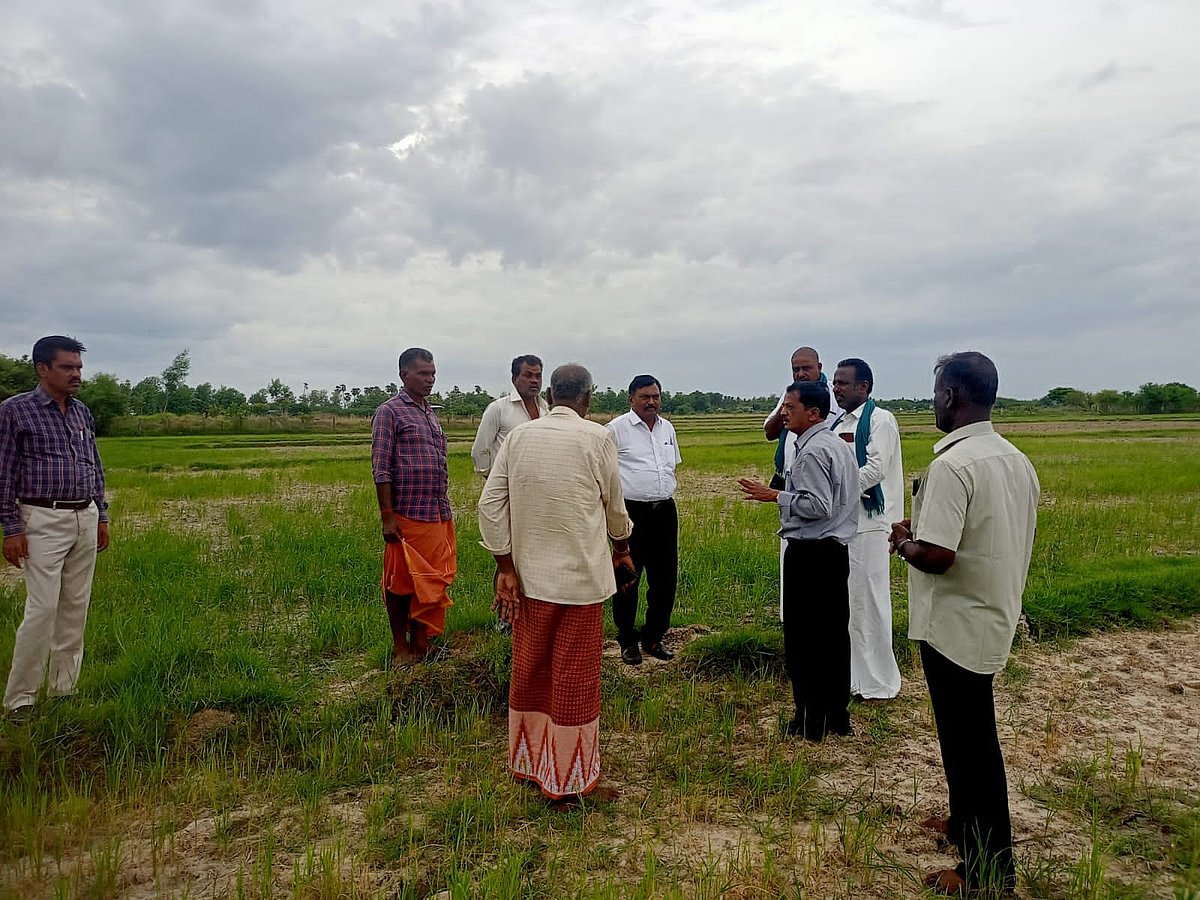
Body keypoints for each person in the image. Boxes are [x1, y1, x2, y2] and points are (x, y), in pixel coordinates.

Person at [889, 352, 1038, 896]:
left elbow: (939, 556)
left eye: (935, 394)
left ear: (951, 396)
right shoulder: (1014, 458)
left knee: (974, 748)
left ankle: (988, 872)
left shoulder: (952, 465)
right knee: (963, 737)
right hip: (992, 613)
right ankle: (960, 823)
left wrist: (903, 541)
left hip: (955, 624)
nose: (933, 403)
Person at [478, 364, 634, 805]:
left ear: (550, 393)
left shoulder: (520, 437)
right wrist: (621, 548)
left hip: (529, 581)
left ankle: (528, 764)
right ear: (587, 397)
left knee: (530, 668)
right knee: (574, 678)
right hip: (580, 584)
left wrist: (505, 566)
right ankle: (568, 782)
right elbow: (616, 510)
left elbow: (490, 507)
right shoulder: (598, 437)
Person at [740, 381, 858, 741]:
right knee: (834, 637)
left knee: (805, 640)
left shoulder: (810, 453)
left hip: (810, 555)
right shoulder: (837, 445)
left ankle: (809, 722)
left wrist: (775, 495)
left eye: (790, 407)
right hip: (835, 553)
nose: (783, 413)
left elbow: (817, 506)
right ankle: (837, 717)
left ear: (814, 413)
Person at [1, 335, 110, 720]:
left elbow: (93, 465)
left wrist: (102, 514)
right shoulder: (15, 411)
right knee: (43, 608)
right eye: (67, 367)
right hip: (41, 518)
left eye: (78, 367)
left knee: (75, 607)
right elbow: (4, 473)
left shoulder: (81, 412)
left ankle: (64, 689)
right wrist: (11, 528)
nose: (76, 374)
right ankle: (21, 699)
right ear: (42, 368)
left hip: (85, 515)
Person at [371, 348, 456, 667]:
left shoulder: (430, 412)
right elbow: (381, 467)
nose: (430, 379)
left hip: (436, 513)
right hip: (407, 516)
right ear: (404, 375)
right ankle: (400, 648)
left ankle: (421, 643)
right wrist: (387, 517)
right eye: (423, 373)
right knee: (401, 583)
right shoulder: (389, 412)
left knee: (429, 581)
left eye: (433, 373)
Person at [830, 358, 903, 702]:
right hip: (843, 524)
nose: (836, 388)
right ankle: (853, 677)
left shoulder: (880, 420)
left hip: (872, 523)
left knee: (870, 603)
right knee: (847, 603)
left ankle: (878, 683)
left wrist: (830, 490)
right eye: (835, 382)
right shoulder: (837, 423)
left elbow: (874, 468)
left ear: (865, 387)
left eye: (844, 383)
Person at [607, 375, 681, 666]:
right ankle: (627, 640)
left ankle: (654, 637)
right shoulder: (615, 430)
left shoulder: (668, 428)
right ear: (631, 399)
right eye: (645, 397)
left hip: (664, 511)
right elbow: (605, 474)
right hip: (630, 514)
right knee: (627, 579)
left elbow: (670, 465)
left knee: (665, 579)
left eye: (656, 396)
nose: (651, 402)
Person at [763, 346, 841, 620]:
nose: (800, 373)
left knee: (814, 545)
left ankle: (809, 620)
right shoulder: (791, 395)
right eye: (795, 369)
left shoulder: (833, 396)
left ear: (819, 366)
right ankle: (793, 616)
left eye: (806, 368)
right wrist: (784, 411)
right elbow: (769, 432)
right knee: (792, 542)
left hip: (818, 477)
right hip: (791, 480)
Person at [470, 354, 549, 476]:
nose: (534, 380)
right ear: (514, 379)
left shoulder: (546, 411)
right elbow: (480, 450)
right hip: (505, 484)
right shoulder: (498, 409)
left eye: (538, 376)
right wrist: (492, 480)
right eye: (528, 375)